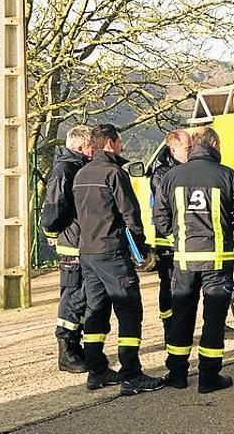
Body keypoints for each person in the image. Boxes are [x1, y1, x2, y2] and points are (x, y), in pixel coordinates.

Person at [153, 127, 234, 394]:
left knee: (182, 316)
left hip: (184, 261)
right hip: (218, 261)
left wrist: (178, 236)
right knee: (213, 319)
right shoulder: (228, 176)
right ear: (214, 144)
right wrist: (233, 239)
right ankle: (209, 377)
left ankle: (176, 374)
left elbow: (160, 219)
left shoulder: (171, 176)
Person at [73, 124, 164, 395]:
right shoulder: (114, 174)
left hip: (87, 252)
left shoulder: (80, 174)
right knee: (129, 311)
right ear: (111, 143)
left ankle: (96, 371)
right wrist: (142, 251)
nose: (122, 146)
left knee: (95, 310)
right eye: (120, 142)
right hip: (112, 252)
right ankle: (131, 375)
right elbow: (130, 215)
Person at [41, 125, 95, 374]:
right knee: (73, 295)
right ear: (80, 146)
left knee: (82, 295)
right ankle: (66, 350)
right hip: (72, 244)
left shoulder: (77, 167)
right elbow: (54, 208)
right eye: (91, 145)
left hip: (82, 241)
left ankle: (75, 343)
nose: (94, 149)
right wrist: (52, 232)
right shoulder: (65, 169)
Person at [148, 130, 193, 341]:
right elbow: (168, 206)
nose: (191, 151)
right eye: (188, 148)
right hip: (168, 239)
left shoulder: (192, 168)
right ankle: (169, 326)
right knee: (168, 285)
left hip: (189, 237)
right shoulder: (161, 174)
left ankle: (189, 324)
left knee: (191, 284)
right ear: (173, 149)